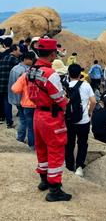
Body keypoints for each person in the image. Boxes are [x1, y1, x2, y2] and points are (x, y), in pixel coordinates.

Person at [26, 38, 71, 201]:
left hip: (38, 114)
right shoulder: (51, 74)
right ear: (52, 54)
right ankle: (55, 189)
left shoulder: (31, 70)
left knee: (42, 148)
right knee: (56, 150)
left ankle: (43, 180)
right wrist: (66, 104)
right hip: (51, 117)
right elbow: (59, 99)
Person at [64, 64, 96, 177]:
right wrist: (89, 112)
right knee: (82, 143)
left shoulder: (65, 86)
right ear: (79, 74)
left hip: (69, 120)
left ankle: (68, 165)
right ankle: (79, 167)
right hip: (83, 121)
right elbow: (93, 101)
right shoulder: (86, 85)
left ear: (68, 73)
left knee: (69, 143)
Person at [8, 51, 35, 146]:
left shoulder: (14, 68)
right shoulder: (25, 71)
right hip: (24, 100)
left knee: (22, 120)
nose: (33, 62)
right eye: (31, 60)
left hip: (16, 99)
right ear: (26, 59)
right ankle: (27, 141)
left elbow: (12, 86)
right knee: (28, 124)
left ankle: (20, 138)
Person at [0, 44, 22, 128]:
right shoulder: (14, 60)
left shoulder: (3, 58)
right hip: (9, 84)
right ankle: (9, 122)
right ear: (14, 50)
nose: (19, 53)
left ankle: (3, 118)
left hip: (1, 83)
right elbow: (19, 72)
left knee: (5, 102)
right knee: (8, 102)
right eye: (18, 50)